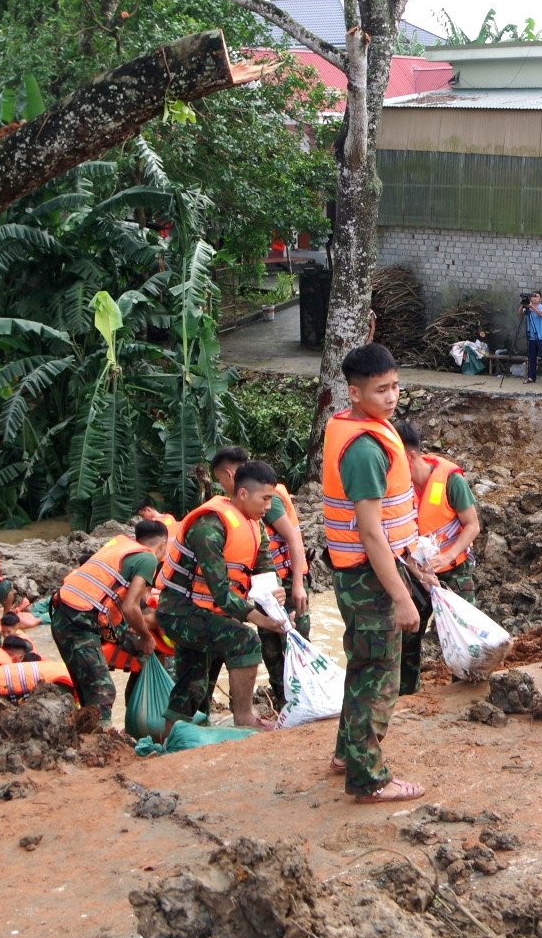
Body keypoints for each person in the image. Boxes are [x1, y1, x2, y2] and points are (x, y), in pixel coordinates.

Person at [320, 342, 428, 802]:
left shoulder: (363, 429)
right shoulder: (364, 449)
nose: (391, 398)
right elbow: (369, 532)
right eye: (381, 390)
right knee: (378, 675)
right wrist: (402, 598)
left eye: (395, 386)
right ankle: (368, 779)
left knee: (363, 667)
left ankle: (348, 753)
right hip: (369, 577)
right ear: (354, 393)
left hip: (364, 573)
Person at [154, 459, 285, 738]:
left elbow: (265, 571)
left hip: (206, 613)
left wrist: (278, 599)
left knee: (193, 683)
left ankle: (170, 743)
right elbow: (221, 592)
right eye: (265, 499)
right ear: (242, 494)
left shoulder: (255, 526)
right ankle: (244, 717)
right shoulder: (208, 526)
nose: (268, 507)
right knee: (246, 639)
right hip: (181, 612)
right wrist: (259, 618)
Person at [209, 445, 309, 712]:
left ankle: (303, 702)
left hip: (284, 583)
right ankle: (285, 705)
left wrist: (297, 584)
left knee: (293, 642)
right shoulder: (240, 511)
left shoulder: (266, 500)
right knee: (271, 648)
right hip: (266, 587)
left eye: (220, 480)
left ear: (231, 475)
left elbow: (293, 539)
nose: (222, 486)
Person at [48, 518, 168, 724]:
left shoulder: (121, 547)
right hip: (79, 621)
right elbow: (131, 607)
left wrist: (140, 642)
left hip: (63, 614)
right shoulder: (148, 559)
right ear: (163, 544)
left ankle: (90, 736)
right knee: (102, 690)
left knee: (87, 691)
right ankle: (101, 741)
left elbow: (119, 603)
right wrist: (147, 637)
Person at [397, 421, 481, 603]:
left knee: (461, 627)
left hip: (455, 570)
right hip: (416, 571)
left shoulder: (451, 482)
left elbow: (473, 526)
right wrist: (419, 574)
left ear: (410, 457)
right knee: (409, 627)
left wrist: (447, 557)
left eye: (394, 460)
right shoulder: (395, 489)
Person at [522, 290, 542, 385]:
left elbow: (541, 314)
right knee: (532, 358)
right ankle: (531, 377)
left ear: (540, 299)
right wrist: (523, 304)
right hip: (532, 337)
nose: (534, 298)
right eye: (533, 296)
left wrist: (531, 306)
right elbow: (519, 313)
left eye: (536, 296)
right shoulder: (528, 307)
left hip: (541, 336)